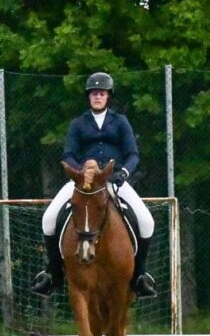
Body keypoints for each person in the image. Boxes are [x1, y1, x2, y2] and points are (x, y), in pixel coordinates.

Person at [31, 72, 157, 299]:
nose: (97, 97)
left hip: (113, 180)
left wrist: (123, 173)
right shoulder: (78, 124)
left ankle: (140, 275)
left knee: (147, 221)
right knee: (48, 219)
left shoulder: (120, 122)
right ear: (89, 97)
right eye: (93, 93)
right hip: (82, 182)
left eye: (101, 93)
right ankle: (52, 274)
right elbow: (68, 154)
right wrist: (80, 173)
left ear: (108, 96)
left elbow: (133, 154)